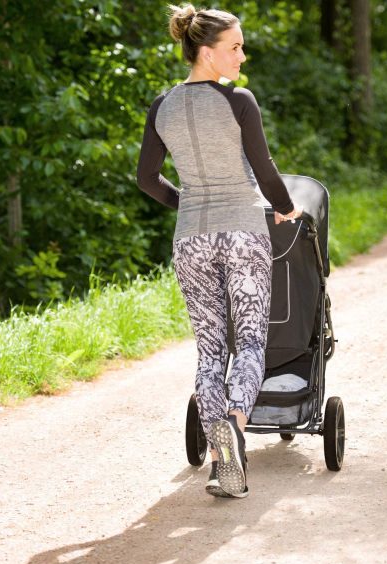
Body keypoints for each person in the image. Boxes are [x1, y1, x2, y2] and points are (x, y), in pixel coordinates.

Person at [136, 3, 302, 499]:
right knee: (249, 343)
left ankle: (218, 460)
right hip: (243, 232)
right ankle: (234, 423)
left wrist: (189, 204)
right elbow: (264, 168)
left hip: (191, 238)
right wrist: (285, 208)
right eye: (234, 47)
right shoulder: (238, 101)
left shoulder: (162, 104)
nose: (241, 55)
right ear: (206, 52)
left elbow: (147, 180)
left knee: (211, 350)